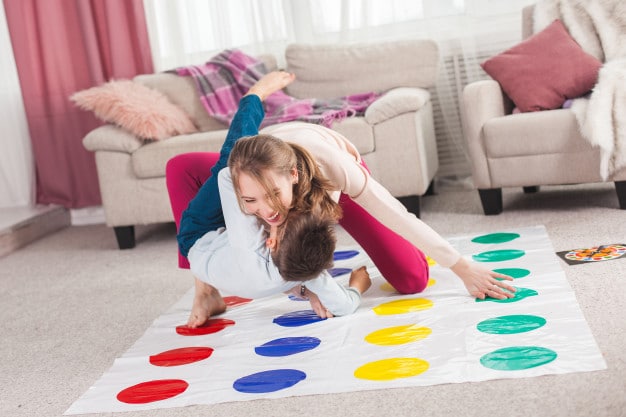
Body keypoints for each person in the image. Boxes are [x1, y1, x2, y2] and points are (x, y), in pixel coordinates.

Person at [167, 71, 372, 328]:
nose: (271, 213)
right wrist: (354, 286)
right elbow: (345, 305)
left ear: (270, 241)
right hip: (237, 268)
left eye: (284, 218)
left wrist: (257, 181)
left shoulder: (250, 244)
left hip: (198, 236)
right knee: (253, 180)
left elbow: (225, 177)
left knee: (232, 157)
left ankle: (254, 97)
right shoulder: (305, 271)